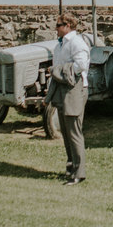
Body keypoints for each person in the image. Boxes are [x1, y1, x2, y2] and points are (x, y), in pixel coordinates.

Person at [46, 13, 90, 185]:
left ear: (68, 26)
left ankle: (79, 172)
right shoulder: (60, 45)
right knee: (65, 131)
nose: (55, 28)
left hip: (74, 89)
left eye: (58, 25)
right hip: (62, 88)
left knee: (74, 131)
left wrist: (58, 71)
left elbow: (81, 66)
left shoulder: (77, 43)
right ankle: (71, 167)